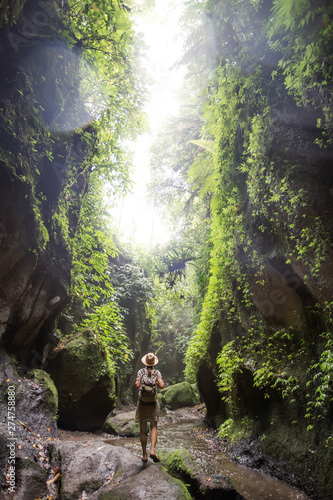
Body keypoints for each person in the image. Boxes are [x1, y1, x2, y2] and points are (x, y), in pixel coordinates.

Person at [135, 352, 164, 463]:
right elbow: (161, 386)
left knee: (143, 429)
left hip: (142, 403)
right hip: (152, 403)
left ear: (145, 362)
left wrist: (140, 381)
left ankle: (144, 455)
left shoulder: (141, 372)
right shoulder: (157, 372)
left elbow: (137, 385)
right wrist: (157, 380)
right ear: (154, 363)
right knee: (154, 426)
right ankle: (152, 450)